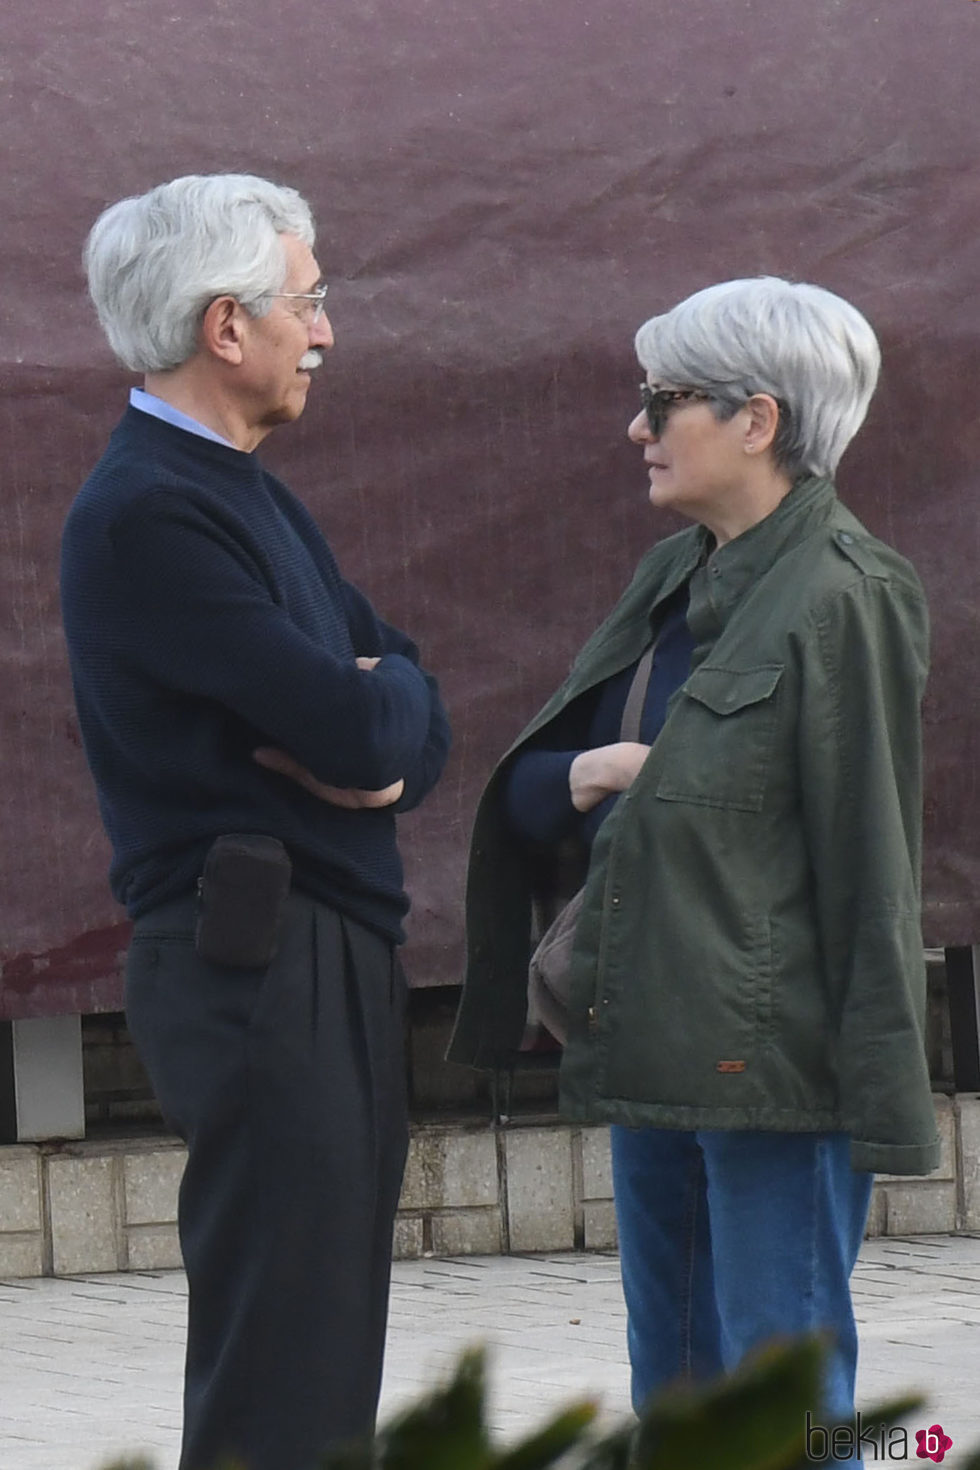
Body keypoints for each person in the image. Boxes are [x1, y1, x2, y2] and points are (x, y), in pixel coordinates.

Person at [449, 277, 937, 1444]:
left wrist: (881, 1099)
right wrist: (598, 773)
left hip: (778, 1072)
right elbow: (529, 785)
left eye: (660, 401)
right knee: (675, 1395)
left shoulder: (844, 595)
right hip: (652, 1048)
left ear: (756, 419)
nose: (636, 427)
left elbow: (870, 858)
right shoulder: (671, 581)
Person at [61, 173, 450, 1470]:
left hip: (318, 947)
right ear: (227, 327)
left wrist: (380, 708)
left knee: (325, 1341)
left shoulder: (245, 495)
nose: (325, 331)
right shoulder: (151, 513)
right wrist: (373, 712)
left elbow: (404, 705)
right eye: (309, 300)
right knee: (283, 1358)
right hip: (260, 956)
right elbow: (357, 723)